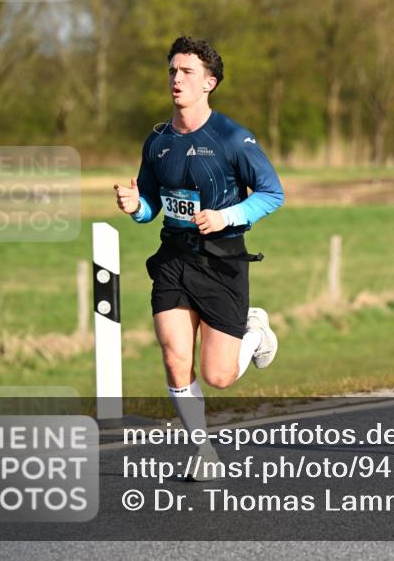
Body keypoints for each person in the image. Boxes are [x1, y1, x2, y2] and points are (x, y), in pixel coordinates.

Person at [115, 36, 283, 478]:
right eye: (172, 70)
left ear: (209, 83)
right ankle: (203, 452)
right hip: (174, 256)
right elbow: (153, 205)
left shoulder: (232, 137)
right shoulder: (157, 141)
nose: (176, 78)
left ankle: (255, 333)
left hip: (222, 260)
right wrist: (137, 207)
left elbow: (272, 194)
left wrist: (226, 216)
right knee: (174, 356)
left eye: (186, 72)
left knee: (218, 375)